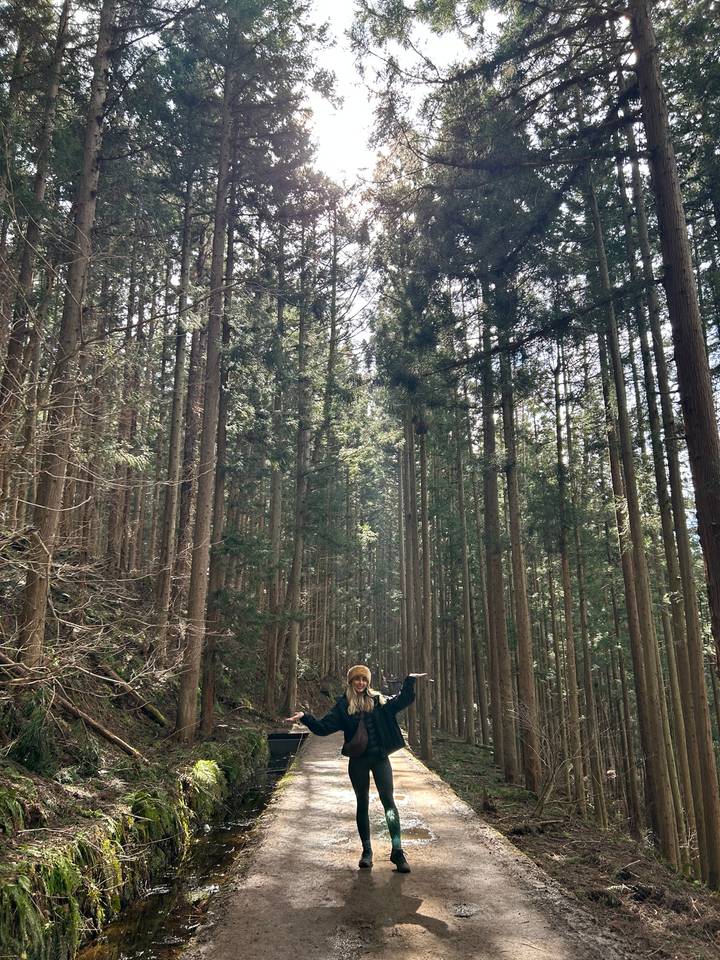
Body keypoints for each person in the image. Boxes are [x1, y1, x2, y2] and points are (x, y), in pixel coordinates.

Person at [286, 665, 427, 873]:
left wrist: (409, 681)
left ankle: (397, 851)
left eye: (364, 679)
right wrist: (305, 717)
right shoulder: (343, 706)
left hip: (380, 759)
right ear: (351, 682)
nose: (360, 683)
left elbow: (402, 700)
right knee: (362, 803)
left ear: (368, 682)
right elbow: (323, 728)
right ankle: (367, 852)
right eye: (357, 679)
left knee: (389, 803)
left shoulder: (378, 701)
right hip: (358, 761)